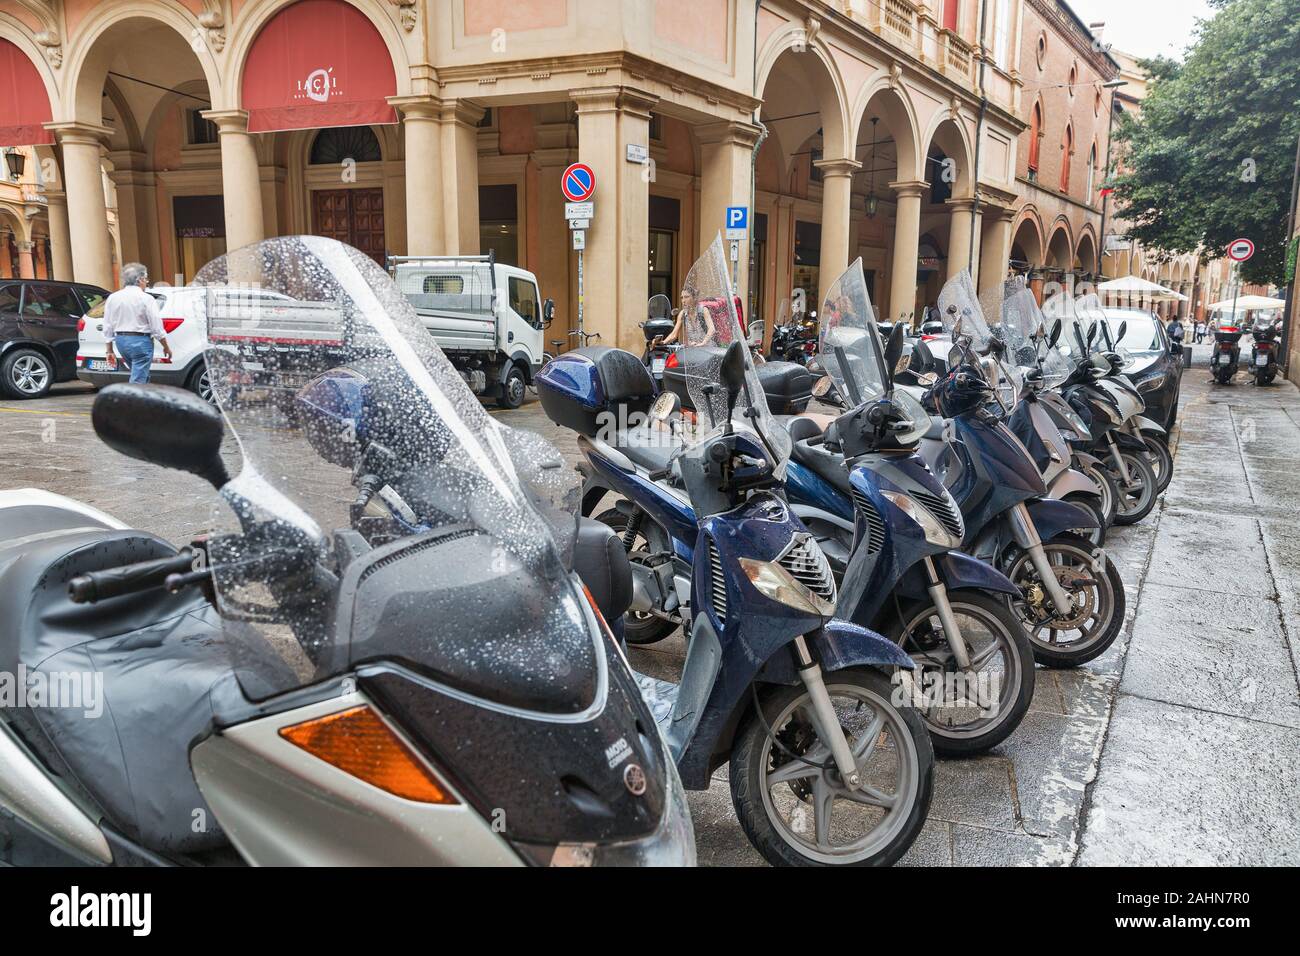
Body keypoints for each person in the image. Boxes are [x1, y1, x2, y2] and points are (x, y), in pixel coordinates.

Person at [104, 263, 171, 384]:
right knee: (138, 379)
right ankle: (132, 401)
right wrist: (166, 346)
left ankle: (145, 399)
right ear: (139, 279)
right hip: (140, 342)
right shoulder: (146, 298)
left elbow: (108, 325)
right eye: (146, 279)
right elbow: (156, 326)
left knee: (140, 374)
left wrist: (109, 350)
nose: (147, 282)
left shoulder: (113, 298)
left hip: (121, 342)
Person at [656, 283, 716, 347]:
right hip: (694, 350)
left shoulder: (703, 310)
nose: (683, 301)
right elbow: (674, 335)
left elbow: (712, 329)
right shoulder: (682, 314)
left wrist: (703, 343)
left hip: (709, 349)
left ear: (694, 297)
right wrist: (663, 342)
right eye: (682, 297)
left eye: (686, 297)